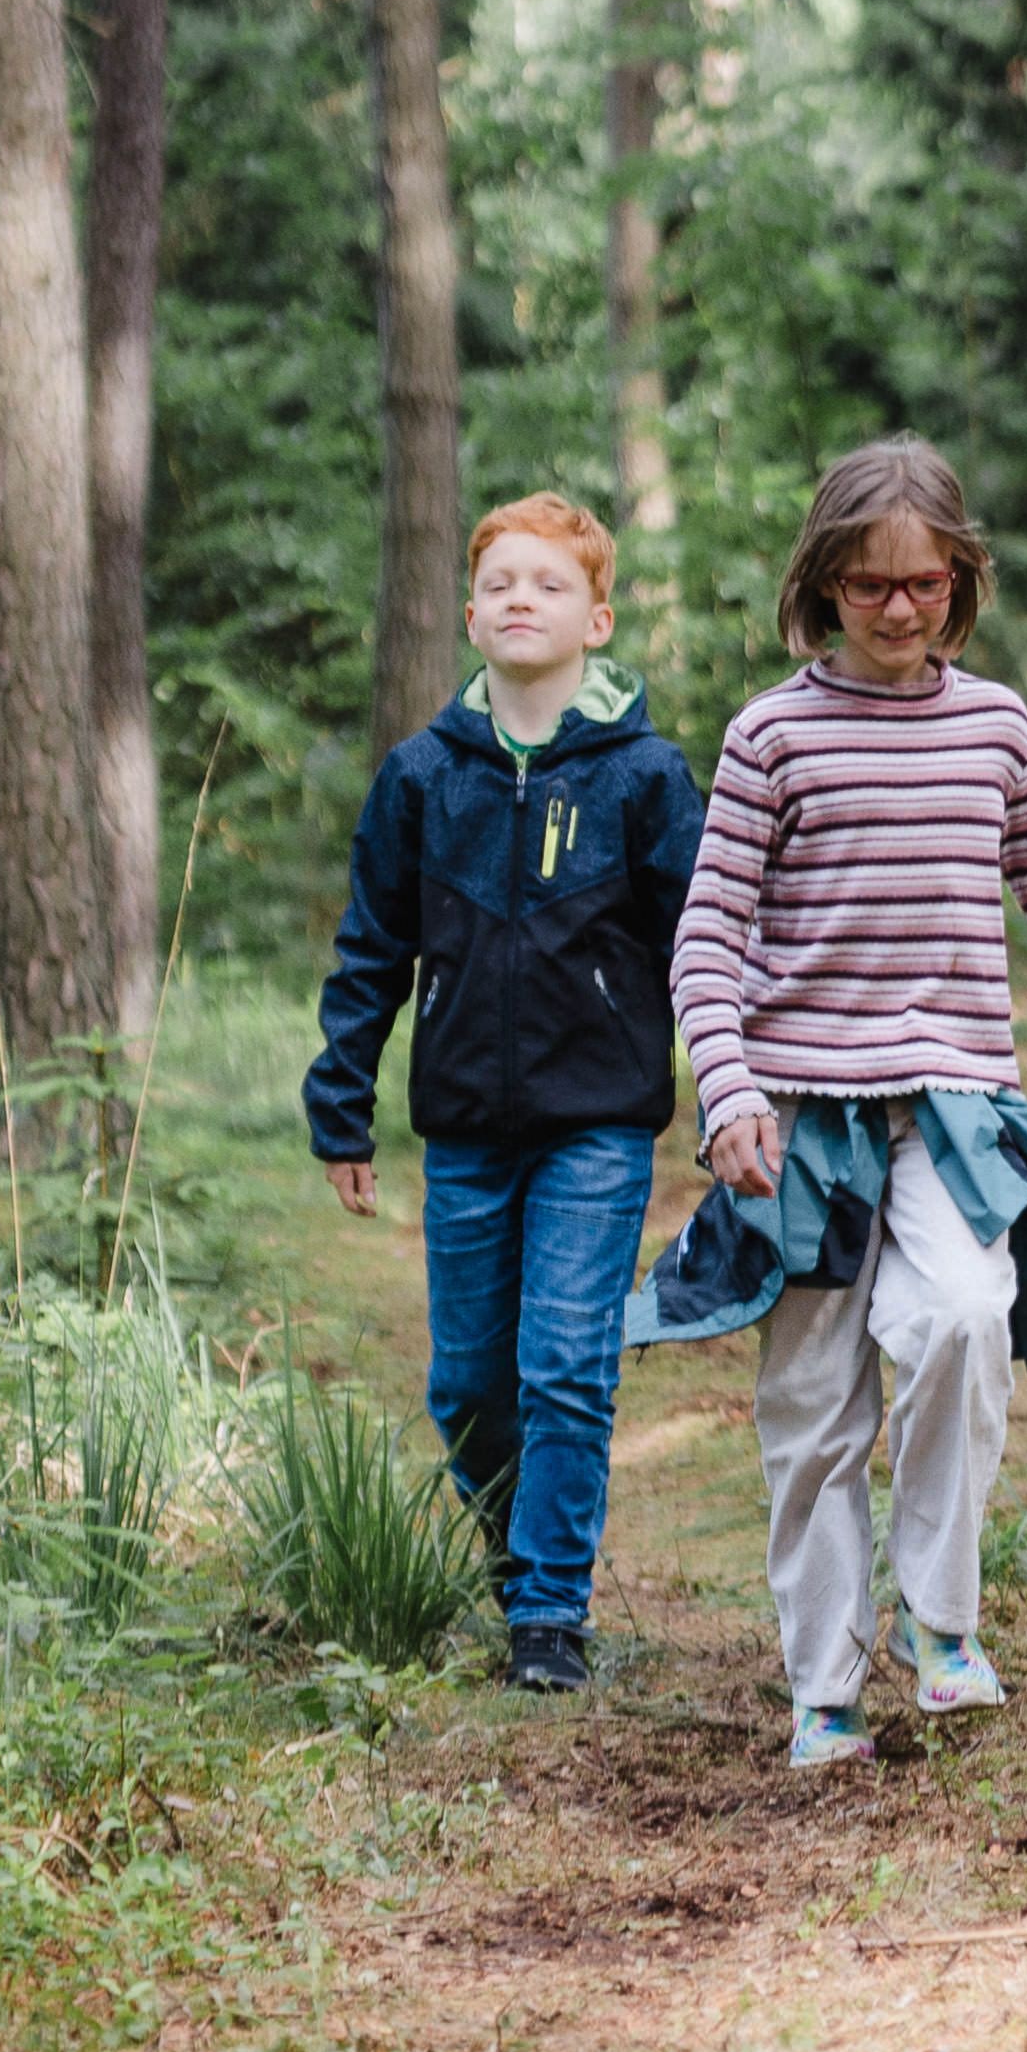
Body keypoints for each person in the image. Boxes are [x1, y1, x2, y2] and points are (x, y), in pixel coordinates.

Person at [641, 440, 1027, 1771]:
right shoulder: (770, 736)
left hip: (954, 1112)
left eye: (923, 583)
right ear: (824, 584)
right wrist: (727, 1091)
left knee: (966, 1313)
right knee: (814, 1410)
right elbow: (708, 934)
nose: (898, 608)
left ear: (962, 579)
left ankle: (940, 1616)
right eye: (868, 585)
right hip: (801, 1121)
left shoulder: (996, 726)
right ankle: (824, 1686)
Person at [298, 494, 696, 1695]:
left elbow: (701, 941)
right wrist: (342, 1101)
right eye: (501, 583)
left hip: (599, 1124)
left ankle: (548, 1614)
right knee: (469, 1383)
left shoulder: (645, 777)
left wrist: (744, 1086)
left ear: (597, 619)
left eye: (550, 583)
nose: (523, 598)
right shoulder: (423, 778)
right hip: (465, 1127)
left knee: (565, 1364)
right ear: (470, 615)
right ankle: (520, 1552)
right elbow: (372, 948)